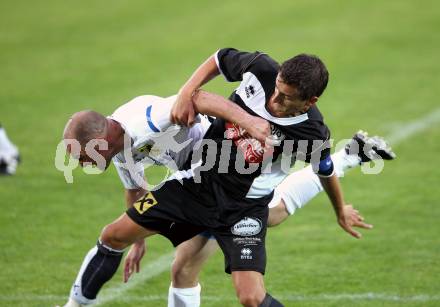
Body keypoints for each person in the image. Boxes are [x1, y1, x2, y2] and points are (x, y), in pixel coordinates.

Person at [61, 48, 394, 307]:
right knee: (128, 242)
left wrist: (340, 209)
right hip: (196, 183)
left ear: (310, 101)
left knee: (244, 282)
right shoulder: (262, 70)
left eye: (285, 97)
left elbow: (324, 171)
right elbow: (219, 59)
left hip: (242, 206)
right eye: (275, 89)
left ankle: (351, 154)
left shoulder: (312, 133)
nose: (273, 99)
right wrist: (139, 240)